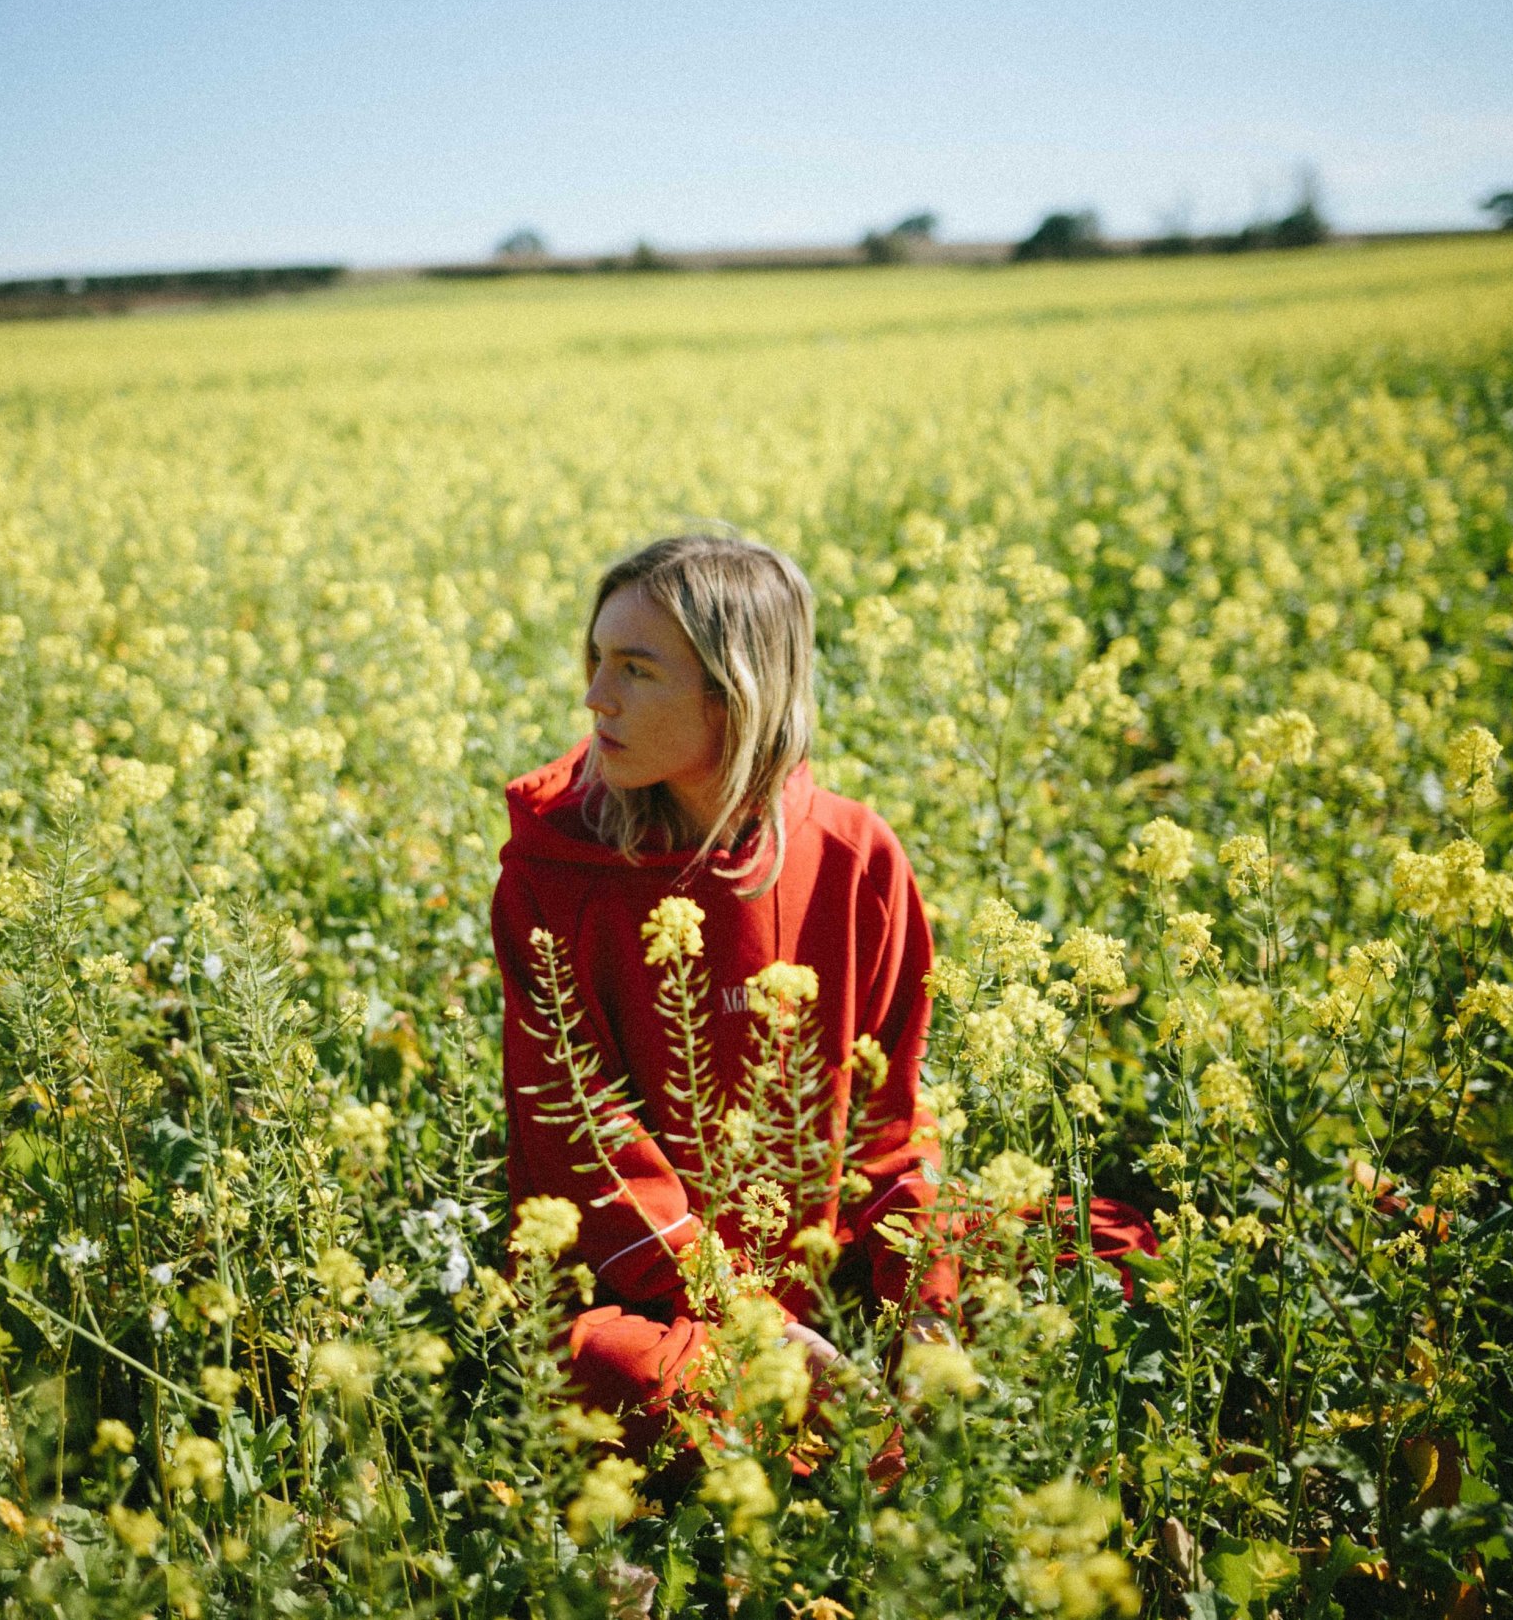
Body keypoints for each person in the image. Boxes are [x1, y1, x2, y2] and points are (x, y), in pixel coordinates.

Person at [490, 533, 1149, 1452]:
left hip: (824, 1255)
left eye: (635, 669)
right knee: (609, 1369)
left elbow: (893, 1125)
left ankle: (844, 1413)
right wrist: (750, 1326)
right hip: (653, 1289)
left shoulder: (853, 855)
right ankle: (843, 1430)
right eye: (596, 659)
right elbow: (586, 1156)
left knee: (1110, 1252)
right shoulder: (552, 877)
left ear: (738, 693)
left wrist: (923, 1304)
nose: (594, 697)